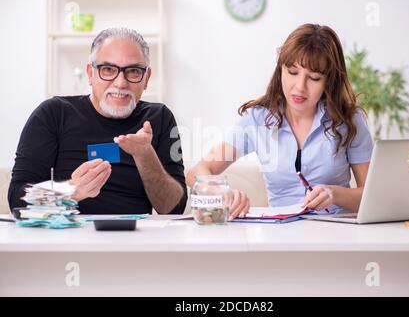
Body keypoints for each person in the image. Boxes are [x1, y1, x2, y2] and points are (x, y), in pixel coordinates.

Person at [187, 23, 373, 220]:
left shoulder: (350, 121)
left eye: (314, 78)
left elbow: (372, 195)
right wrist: (222, 193)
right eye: (292, 72)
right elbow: (196, 173)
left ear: (329, 81)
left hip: (335, 232)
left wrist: (335, 194)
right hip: (279, 233)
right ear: (280, 69)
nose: (300, 87)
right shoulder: (257, 119)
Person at [8, 28, 187, 215]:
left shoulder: (160, 118)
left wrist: (145, 155)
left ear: (146, 78)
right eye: (108, 69)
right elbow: (16, 200)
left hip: (136, 240)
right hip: (65, 239)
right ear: (90, 74)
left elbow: (174, 209)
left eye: (133, 71)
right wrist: (70, 190)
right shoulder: (53, 113)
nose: (120, 83)